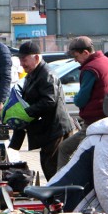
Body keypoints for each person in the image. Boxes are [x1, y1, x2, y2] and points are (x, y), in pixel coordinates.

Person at [8, 42, 75, 180]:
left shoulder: (46, 74)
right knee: (47, 165)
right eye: (20, 60)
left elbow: (49, 101)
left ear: (36, 58)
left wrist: (26, 112)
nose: (22, 64)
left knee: (52, 168)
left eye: (24, 60)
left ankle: (59, 198)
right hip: (46, 130)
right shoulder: (33, 74)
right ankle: (56, 197)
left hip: (55, 129)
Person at [57, 36, 108, 168]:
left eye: (76, 56)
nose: (75, 60)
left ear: (85, 53)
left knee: (64, 149)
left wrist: (76, 99)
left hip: (95, 122)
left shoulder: (90, 69)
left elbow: (81, 100)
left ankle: (62, 185)